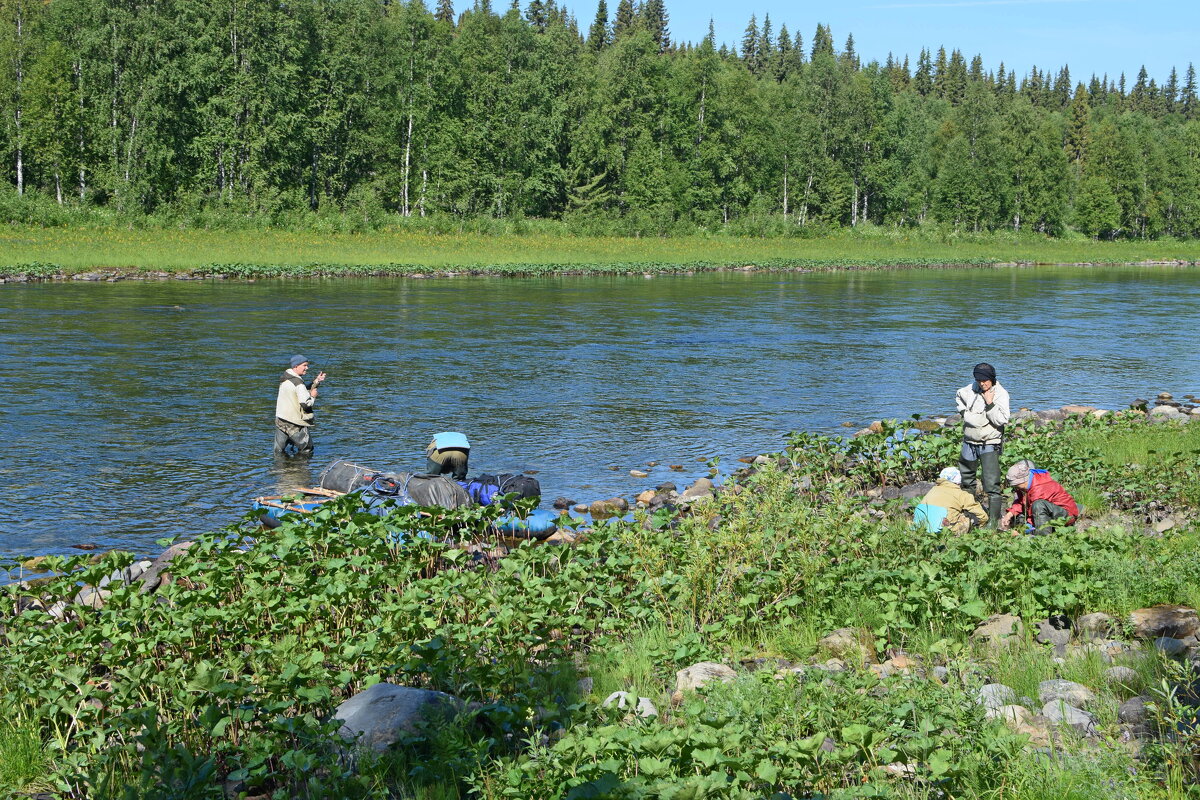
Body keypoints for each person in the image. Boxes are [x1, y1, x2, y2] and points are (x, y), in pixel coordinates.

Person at [955, 362, 1011, 527]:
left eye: (985, 380)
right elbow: (959, 396)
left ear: (992, 379)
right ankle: (967, 517)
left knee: (991, 484)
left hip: (989, 443)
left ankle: (993, 523)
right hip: (969, 442)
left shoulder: (1001, 394)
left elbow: (1001, 420)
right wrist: (966, 414)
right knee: (967, 481)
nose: (982, 383)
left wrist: (990, 403)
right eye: (979, 380)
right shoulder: (969, 389)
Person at [1001, 459, 1078, 535]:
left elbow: (1036, 513)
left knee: (1038, 505)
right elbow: (1021, 501)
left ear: (1023, 480)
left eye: (1016, 484)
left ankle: (1042, 537)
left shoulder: (1039, 487)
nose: (1016, 487)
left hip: (1067, 515)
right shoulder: (1026, 485)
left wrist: (1023, 530)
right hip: (1050, 512)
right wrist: (1010, 514)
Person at [274, 355, 325, 457]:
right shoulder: (299, 384)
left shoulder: (286, 378)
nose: (307, 368)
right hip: (295, 423)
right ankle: (300, 471)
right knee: (307, 449)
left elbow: (299, 391)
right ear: (296, 366)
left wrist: (316, 381)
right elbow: (305, 404)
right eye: (304, 365)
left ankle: (281, 471)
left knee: (279, 452)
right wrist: (313, 397)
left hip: (281, 420)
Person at [914, 467, 988, 534]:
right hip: (944, 531)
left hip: (920, 528)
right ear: (959, 481)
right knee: (970, 516)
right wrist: (981, 526)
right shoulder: (961, 494)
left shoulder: (933, 490)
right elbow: (983, 516)